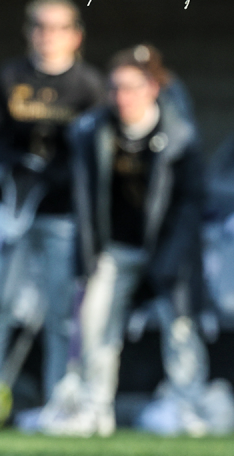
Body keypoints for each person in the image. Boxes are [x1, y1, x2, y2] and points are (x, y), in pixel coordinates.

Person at [38, 45, 207, 436]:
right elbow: (83, 199)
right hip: (113, 249)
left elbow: (190, 206)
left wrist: (169, 261)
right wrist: (88, 254)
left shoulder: (180, 136)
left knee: (181, 327)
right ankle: (95, 410)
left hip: (166, 249)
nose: (121, 98)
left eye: (131, 88)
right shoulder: (91, 131)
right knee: (95, 326)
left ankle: (188, 407)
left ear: (151, 88)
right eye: (115, 89)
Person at [0, 0, 104, 434]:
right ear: (29, 32)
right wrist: (16, 170)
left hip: (60, 214)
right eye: (40, 26)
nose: (48, 36)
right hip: (11, 208)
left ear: (75, 36)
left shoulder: (89, 85)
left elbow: (92, 153)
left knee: (61, 313)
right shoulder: (9, 77)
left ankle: (60, 401)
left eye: (58, 28)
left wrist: (58, 175)